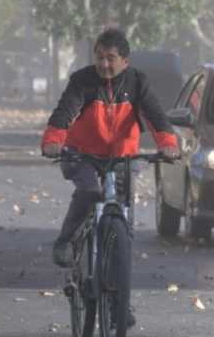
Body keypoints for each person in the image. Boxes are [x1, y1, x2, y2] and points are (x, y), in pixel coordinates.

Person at [41, 28, 178, 266]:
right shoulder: (82, 80)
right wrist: (53, 141)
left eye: (110, 58)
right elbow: (65, 112)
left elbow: (156, 116)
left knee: (122, 199)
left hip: (123, 157)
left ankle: (122, 242)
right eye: (99, 57)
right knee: (90, 192)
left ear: (125, 61)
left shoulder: (137, 82)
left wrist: (168, 145)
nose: (104, 64)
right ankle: (67, 240)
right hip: (82, 155)